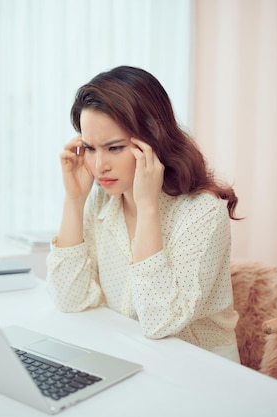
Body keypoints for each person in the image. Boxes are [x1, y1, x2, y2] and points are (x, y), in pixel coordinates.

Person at [46, 66, 241, 362]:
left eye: (114, 148)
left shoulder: (203, 212)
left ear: (153, 140)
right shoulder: (102, 200)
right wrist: (74, 201)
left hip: (199, 368)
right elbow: (69, 299)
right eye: (89, 148)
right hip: (127, 355)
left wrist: (148, 207)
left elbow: (159, 321)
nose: (99, 166)